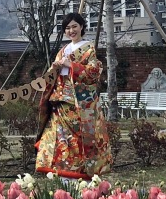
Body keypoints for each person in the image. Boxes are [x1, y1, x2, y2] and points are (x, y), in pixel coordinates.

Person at [35, 12, 112, 179]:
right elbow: (52, 76)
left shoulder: (89, 48)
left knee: (78, 140)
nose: (71, 31)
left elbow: (93, 73)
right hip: (60, 101)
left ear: (82, 27)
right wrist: (54, 68)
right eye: (67, 28)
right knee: (59, 138)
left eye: (74, 26)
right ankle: (61, 172)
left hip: (79, 104)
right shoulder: (63, 50)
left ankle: (81, 173)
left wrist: (72, 65)